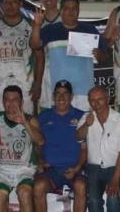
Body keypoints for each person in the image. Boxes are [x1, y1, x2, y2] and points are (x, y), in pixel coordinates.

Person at [30, 0, 109, 111]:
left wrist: (100, 55)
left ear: (79, 11)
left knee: (85, 127)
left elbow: (105, 56)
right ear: (61, 11)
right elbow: (34, 45)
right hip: (60, 92)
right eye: (67, 8)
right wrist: (37, 25)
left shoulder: (90, 30)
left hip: (85, 92)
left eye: (74, 8)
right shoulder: (51, 30)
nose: (71, 11)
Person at [0, 0, 43, 114]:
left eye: (14, 2)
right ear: (2, 4)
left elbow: (40, 56)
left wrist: (38, 84)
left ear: (20, 4)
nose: (10, 5)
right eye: (6, 2)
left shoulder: (32, 25)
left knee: (26, 125)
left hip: (25, 85)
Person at [76, 86, 120, 212]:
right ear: (89, 102)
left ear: (107, 99)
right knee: (94, 200)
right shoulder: (87, 117)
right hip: (93, 167)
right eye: (92, 100)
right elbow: (78, 137)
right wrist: (86, 124)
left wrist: (115, 179)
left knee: (113, 198)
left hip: (115, 167)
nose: (96, 104)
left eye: (100, 99)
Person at [34, 80, 87, 212]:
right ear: (52, 96)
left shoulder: (82, 116)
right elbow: (38, 144)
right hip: (51, 171)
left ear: (71, 97)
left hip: (75, 170)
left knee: (81, 186)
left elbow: (85, 148)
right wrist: (40, 160)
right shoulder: (43, 117)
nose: (61, 97)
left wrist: (77, 168)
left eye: (65, 94)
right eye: (58, 93)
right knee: (39, 186)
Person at [0, 85, 44, 212]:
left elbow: (41, 141)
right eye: (7, 99)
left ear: (21, 102)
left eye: (14, 99)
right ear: (3, 101)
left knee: (25, 193)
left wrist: (24, 123)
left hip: (23, 169)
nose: (10, 103)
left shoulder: (30, 119)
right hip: (1, 169)